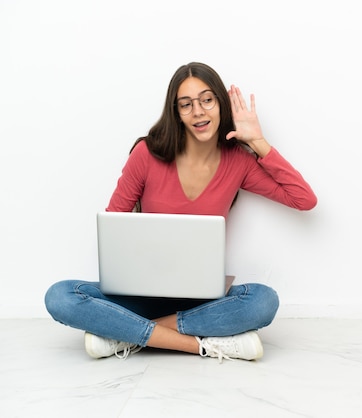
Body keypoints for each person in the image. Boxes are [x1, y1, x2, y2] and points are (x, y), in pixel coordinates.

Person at [44, 62, 317, 362]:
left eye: (206, 100)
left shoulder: (238, 161)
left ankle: (125, 335)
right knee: (60, 296)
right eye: (186, 105)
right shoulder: (146, 154)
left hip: (202, 303)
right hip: (141, 297)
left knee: (263, 301)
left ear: (220, 104)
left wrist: (258, 142)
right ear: (176, 113)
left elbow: (303, 199)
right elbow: (114, 226)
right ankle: (204, 344)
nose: (198, 111)